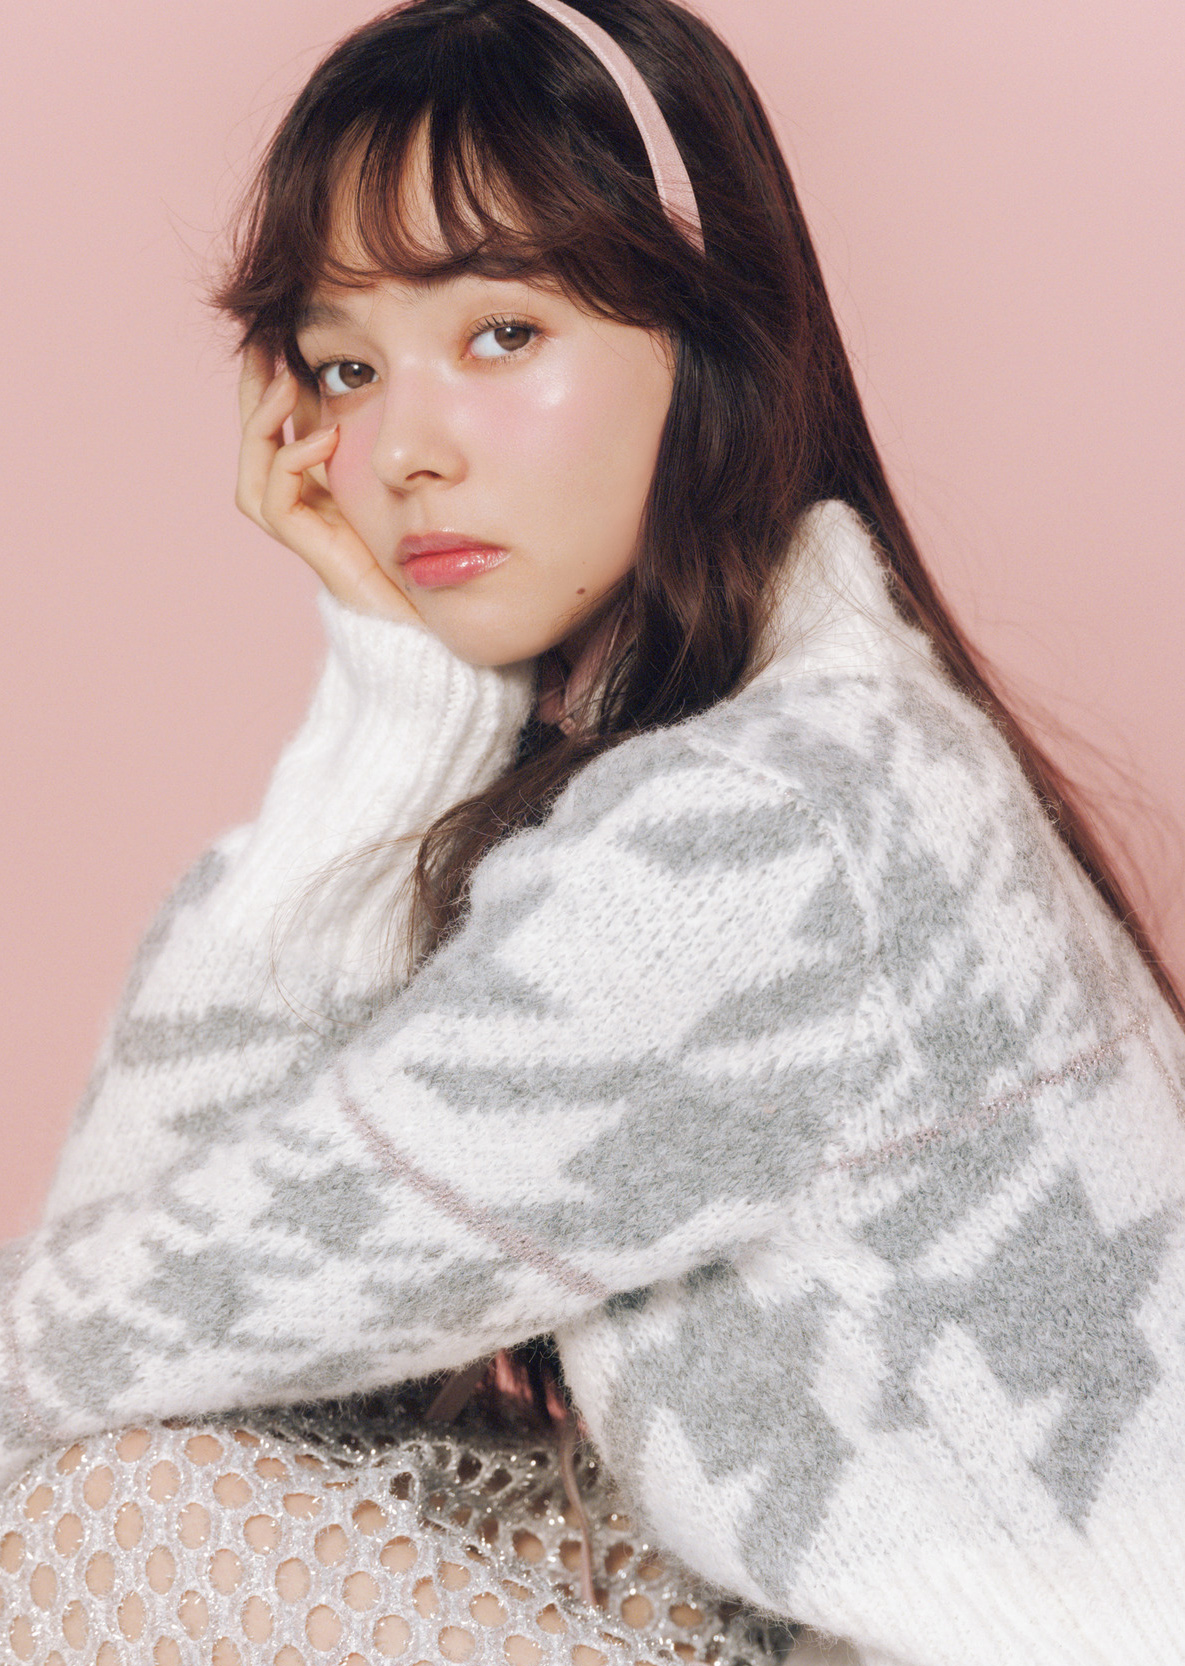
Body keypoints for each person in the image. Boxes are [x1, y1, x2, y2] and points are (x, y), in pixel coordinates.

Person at [1, 0, 1183, 1662]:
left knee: (117, 1511)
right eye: (344, 368)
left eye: (501, 333)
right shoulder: (798, 741)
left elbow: (93, 1347)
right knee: (203, 1475)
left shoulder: (765, 829)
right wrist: (394, 714)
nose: (402, 451)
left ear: (711, 339)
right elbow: (148, 1324)